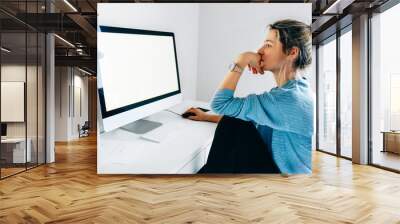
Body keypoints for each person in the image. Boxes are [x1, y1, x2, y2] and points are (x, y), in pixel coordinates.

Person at [184, 19, 314, 175]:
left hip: (285, 185)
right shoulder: (296, 90)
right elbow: (252, 117)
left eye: (268, 45)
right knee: (233, 121)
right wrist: (207, 117)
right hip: (278, 169)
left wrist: (242, 60)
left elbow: (220, 103)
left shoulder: (288, 99)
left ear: (292, 52)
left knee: (231, 123)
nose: (260, 50)